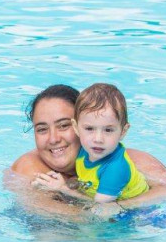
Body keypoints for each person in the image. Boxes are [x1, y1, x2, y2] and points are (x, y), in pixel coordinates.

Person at [8, 84, 166, 219]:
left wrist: (121, 206)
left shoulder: (126, 162)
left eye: (63, 125)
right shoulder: (29, 169)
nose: (53, 139)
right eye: (42, 129)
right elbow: (54, 216)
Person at [31, 83, 149, 213]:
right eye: (89, 129)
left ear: (123, 131)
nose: (98, 139)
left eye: (108, 130)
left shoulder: (116, 168)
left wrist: (62, 188)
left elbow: (99, 207)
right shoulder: (85, 151)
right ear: (77, 128)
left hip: (142, 214)